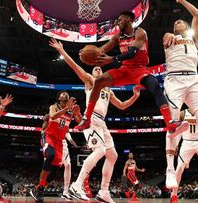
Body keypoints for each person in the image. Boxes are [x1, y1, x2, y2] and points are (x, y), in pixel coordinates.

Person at [49, 38, 140, 202]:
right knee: (100, 151)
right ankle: (76, 186)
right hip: (90, 119)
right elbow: (75, 67)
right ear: (92, 73)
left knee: (112, 155)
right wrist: (62, 51)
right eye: (95, 68)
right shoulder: (90, 81)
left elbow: (121, 105)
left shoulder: (108, 89)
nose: (98, 70)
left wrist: (134, 96)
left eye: (100, 68)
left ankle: (104, 192)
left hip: (102, 123)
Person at [75, 11, 188, 139]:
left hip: (140, 69)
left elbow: (132, 53)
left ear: (129, 19)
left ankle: (170, 123)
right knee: (99, 81)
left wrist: (112, 59)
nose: (118, 22)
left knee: (155, 87)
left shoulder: (140, 33)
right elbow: (101, 50)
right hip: (124, 69)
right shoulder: (117, 37)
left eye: (120, 19)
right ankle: (87, 118)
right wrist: (88, 52)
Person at [162, 0, 198, 189]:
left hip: (194, 79)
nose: (177, 23)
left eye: (180, 22)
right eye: (174, 23)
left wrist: (181, 1)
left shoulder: (194, 39)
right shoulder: (169, 36)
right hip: (174, 80)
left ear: (186, 26)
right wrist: (168, 34)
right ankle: (170, 170)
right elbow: (165, 38)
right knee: (172, 123)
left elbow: (197, 15)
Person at [30, 91, 82, 203]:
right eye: (62, 98)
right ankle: (40, 190)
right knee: (50, 155)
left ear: (68, 100)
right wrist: (66, 109)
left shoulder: (71, 110)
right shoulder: (53, 107)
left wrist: (78, 113)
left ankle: (39, 188)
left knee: (54, 171)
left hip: (59, 141)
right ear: (59, 100)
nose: (64, 100)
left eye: (66, 99)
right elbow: (53, 116)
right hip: (49, 136)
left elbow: (81, 124)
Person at [40, 114, 78, 201]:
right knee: (52, 169)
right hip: (52, 142)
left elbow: (66, 131)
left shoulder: (66, 118)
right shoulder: (52, 115)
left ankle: (65, 192)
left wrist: (71, 141)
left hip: (62, 143)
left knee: (67, 165)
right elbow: (43, 130)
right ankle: (40, 187)